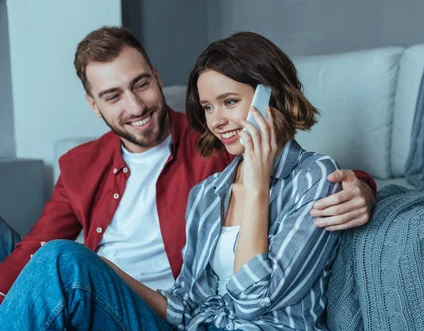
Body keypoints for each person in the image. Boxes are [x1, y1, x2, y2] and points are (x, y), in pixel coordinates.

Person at [0, 30, 344, 331]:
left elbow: (253, 301)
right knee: (59, 257)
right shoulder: (209, 194)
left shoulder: (309, 178)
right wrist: (100, 269)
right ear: (93, 104)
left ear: (269, 97)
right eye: (209, 108)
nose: (217, 121)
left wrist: (261, 184)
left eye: (230, 102)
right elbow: (187, 307)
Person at [0, 26, 376, 303]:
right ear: (93, 105)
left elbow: (287, 167)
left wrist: (361, 185)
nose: (135, 107)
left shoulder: (212, 142)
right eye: (113, 96)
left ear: (157, 77)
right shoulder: (81, 164)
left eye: (141, 84)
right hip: (94, 292)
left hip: (159, 309)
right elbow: (37, 244)